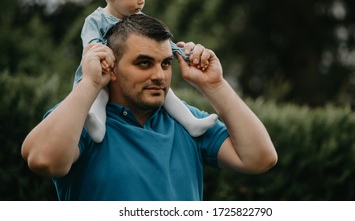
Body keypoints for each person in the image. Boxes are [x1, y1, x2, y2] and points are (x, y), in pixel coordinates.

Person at [21, 13, 278, 201]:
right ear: (111, 65)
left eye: (165, 64)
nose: (159, 76)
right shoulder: (83, 119)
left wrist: (216, 85)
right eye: (144, 63)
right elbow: (43, 160)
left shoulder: (188, 123)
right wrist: (90, 82)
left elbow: (260, 158)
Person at [76, 0, 217, 143]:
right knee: (99, 96)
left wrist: (181, 52)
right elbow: (91, 46)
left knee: (167, 94)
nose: (141, 1)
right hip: (100, 74)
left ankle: (191, 122)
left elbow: (160, 46)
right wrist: (100, 54)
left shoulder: (140, 20)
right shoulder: (96, 20)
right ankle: (97, 125)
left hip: (128, 79)